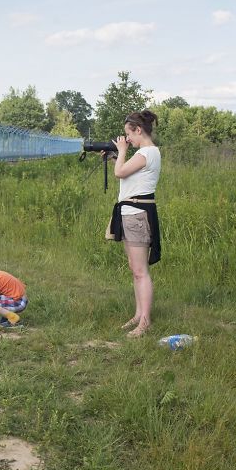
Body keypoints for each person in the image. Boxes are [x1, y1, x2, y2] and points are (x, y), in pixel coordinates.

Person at [104, 109, 162, 337]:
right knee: (134, 269)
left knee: (140, 271)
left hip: (138, 213)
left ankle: (145, 321)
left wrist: (121, 151)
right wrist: (115, 156)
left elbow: (119, 173)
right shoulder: (144, 154)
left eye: (129, 134)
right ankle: (139, 314)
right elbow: (125, 172)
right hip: (129, 212)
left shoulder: (147, 152)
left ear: (139, 130)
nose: (127, 139)